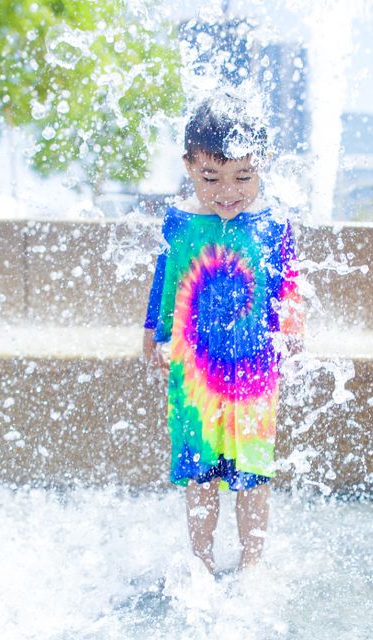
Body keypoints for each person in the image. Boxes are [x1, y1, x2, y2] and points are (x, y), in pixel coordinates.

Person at [143, 93, 303, 575]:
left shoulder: (274, 224)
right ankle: (203, 561)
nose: (227, 191)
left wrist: (293, 337)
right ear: (190, 166)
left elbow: (289, 286)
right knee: (200, 472)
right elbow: (165, 280)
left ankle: (252, 561)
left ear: (262, 166)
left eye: (243, 177)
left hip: (254, 372)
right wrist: (153, 332)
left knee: (253, 472)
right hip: (194, 375)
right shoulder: (180, 222)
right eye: (211, 178)